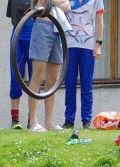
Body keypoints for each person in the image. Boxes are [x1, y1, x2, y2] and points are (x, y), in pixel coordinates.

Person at [62, 0, 105, 135]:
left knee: (87, 84)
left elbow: (99, 20)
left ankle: (86, 120)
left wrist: (98, 44)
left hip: (88, 45)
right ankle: (69, 120)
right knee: (69, 83)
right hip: (70, 44)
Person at [26, 0, 70, 131]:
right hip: (42, 26)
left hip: (58, 28)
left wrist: (53, 2)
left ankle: (49, 122)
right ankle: (33, 122)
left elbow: (67, 6)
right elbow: (44, 2)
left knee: (53, 78)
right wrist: (57, 2)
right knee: (38, 75)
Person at [7, 0, 36, 127]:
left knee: (35, 80)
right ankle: (15, 119)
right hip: (18, 38)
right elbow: (11, 16)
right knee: (15, 77)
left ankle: (32, 118)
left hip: (35, 38)